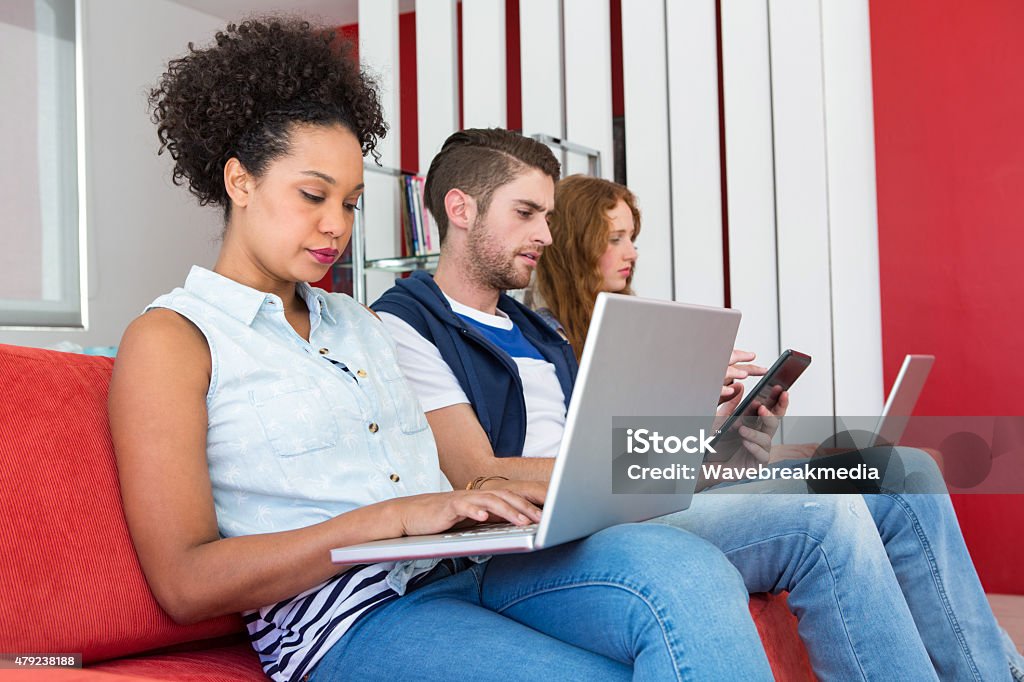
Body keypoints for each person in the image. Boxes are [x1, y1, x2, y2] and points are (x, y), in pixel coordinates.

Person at [107, 18, 779, 682]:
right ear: (239, 182)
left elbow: (458, 475)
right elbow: (185, 581)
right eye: (313, 196)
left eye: (351, 203)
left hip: (469, 568)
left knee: (687, 568)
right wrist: (394, 520)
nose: (335, 226)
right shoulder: (173, 339)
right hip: (348, 620)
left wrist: (488, 499)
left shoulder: (356, 323)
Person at [374, 144, 1021, 680]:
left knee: (900, 475)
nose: (545, 233)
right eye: (527, 213)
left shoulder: (537, 328)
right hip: (558, 531)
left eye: (547, 215)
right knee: (826, 512)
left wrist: (713, 437)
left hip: (619, 498)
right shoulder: (407, 322)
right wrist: (646, 462)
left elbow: (609, 450)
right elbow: (477, 473)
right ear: (459, 209)